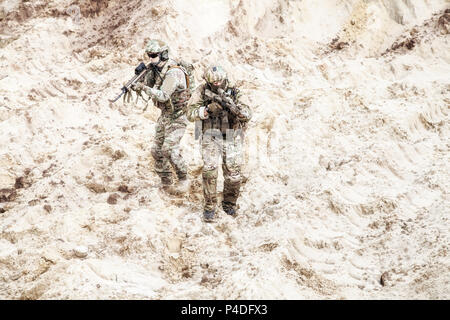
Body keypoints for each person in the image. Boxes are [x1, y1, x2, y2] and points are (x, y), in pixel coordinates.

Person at [187, 65, 252, 222]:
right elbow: (190, 113)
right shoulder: (201, 91)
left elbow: (248, 111)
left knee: (234, 175)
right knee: (209, 172)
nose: (217, 84)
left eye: (219, 82)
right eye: (213, 82)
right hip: (210, 136)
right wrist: (207, 110)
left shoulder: (235, 91)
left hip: (232, 135)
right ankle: (209, 207)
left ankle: (229, 203)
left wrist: (238, 111)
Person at [131, 39, 190, 194]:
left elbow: (163, 95)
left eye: (154, 55)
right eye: (149, 55)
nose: (151, 58)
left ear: (163, 54)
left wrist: (143, 87)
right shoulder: (156, 69)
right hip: (165, 115)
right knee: (156, 150)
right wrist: (139, 81)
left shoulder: (173, 72)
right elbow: (151, 86)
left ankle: (184, 178)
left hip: (178, 116)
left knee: (169, 149)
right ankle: (166, 182)